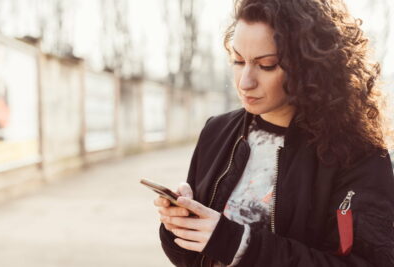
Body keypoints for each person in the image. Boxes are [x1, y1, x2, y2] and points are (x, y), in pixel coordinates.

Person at [154, 0, 394, 266]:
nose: (245, 81)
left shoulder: (357, 153)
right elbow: (192, 258)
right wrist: (180, 227)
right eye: (238, 60)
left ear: (310, 65)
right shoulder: (216, 131)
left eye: (266, 65)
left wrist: (240, 245)